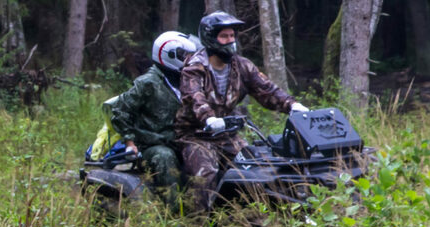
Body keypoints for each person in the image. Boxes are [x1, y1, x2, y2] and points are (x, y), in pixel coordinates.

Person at [174, 11, 307, 213]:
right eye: (224, 36)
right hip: (196, 135)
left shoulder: (242, 66)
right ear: (211, 38)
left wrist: (292, 106)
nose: (230, 41)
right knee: (205, 173)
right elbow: (194, 96)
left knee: (254, 166)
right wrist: (209, 118)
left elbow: (266, 90)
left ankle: (250, 217)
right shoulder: (195, 67)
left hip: (226, 134)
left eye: (232, 36)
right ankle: (198, 226)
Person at [108, 31, 199, 199]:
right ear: (169, 54)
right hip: (152, 146)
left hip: (181, 141)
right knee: (164, 157)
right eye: (183, 55)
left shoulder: (187, 81)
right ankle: (174, 212)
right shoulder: (148, 83)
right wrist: (130, 142)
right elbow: (120, 110)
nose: (189, 59)